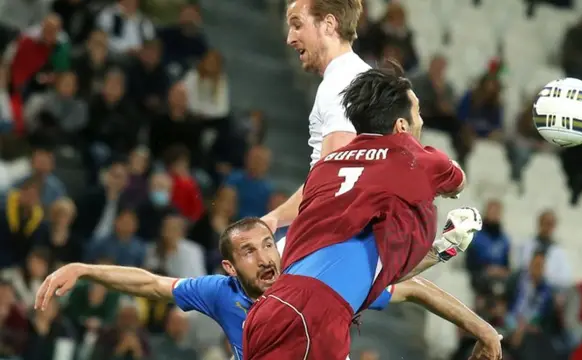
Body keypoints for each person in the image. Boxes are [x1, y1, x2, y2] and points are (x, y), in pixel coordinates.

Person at [242, 65, 500, 359]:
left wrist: (442, 251)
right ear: (402, 126)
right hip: (316, 317)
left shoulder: (325, 169)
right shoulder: (413, 157)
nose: (422, 121)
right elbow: (457, 181)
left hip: (266, 310)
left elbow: (380, 276)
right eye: (417, 112)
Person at [35, 218, 501, 359]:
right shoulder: (220, 293)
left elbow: (410, 288)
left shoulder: (314, 283)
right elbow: (152, 283)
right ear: (229, 265)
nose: (265, 259)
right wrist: (84, 267)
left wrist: (484, 330)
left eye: (267, 245)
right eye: (249, 253)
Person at [260, 0, 372, 232]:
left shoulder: (341, 83)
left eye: (297, 25)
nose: (290, 38)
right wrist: (276, 218)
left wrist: (275, 218)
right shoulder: (361, 76)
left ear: (329, 24)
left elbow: (336, 176)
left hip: (336, 232)